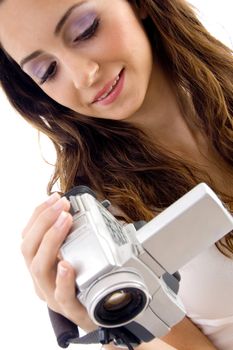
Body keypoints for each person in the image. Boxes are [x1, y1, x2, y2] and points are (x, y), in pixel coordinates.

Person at [0, 0, 232, 349]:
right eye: (47, 71)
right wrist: (109, 322)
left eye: (86, 29)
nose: (83, 75)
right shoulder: (101, 228)